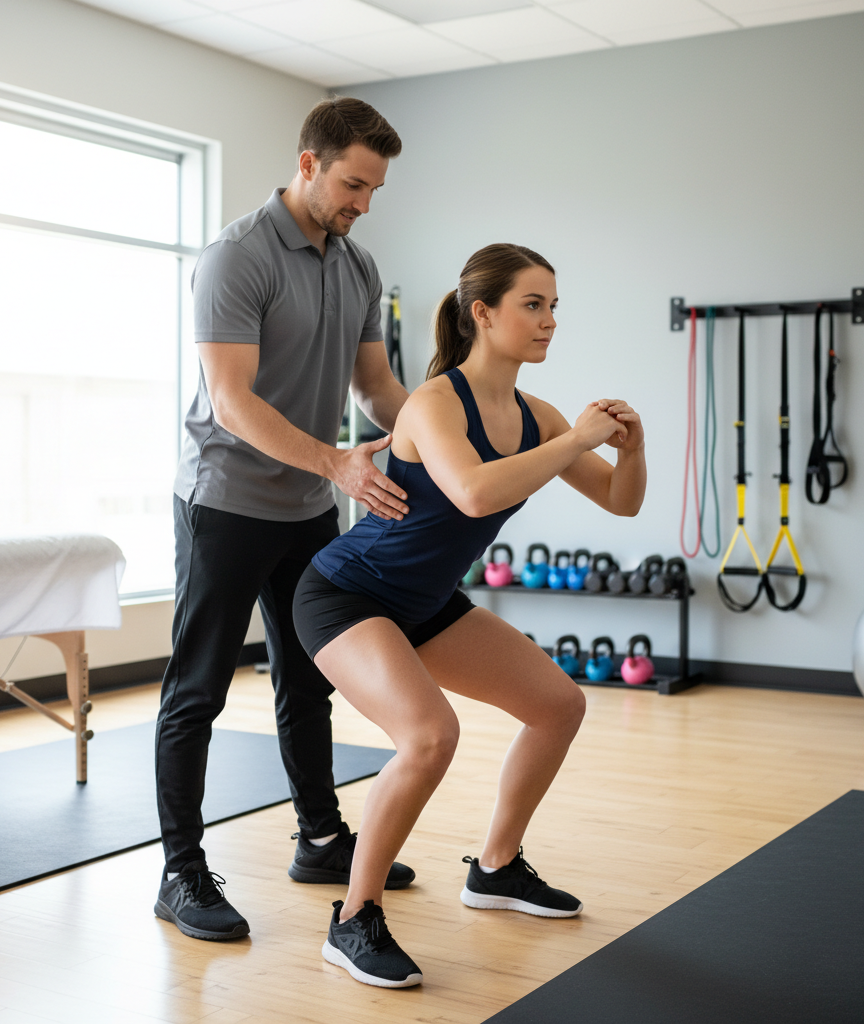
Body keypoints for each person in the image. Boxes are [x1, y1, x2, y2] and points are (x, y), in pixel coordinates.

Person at [292, 243, 647, 987]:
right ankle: (354, 918)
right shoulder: (433, 403)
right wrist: (576, 440)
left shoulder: (536, 416)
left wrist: (630, 448)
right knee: (429, 737)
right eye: (533, 305)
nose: (550, 321)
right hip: (347, 595)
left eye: (554, 306)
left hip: (425, 604)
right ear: (482, 313)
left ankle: (496, 868)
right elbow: (474, 493)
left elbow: (621, 500)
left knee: (558, 705)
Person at [154, 98, 417, 943]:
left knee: (309, 678)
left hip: (306, 506)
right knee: (198, 690)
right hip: (226, 504)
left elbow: (376, 388)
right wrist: (338, 464)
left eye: (374, 190)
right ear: (308, 164)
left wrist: (443, 440)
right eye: (352, 185)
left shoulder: (357, 266)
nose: (363, 204)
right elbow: (231, 402)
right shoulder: (236, 256)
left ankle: (321, 839)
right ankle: (181, 873)